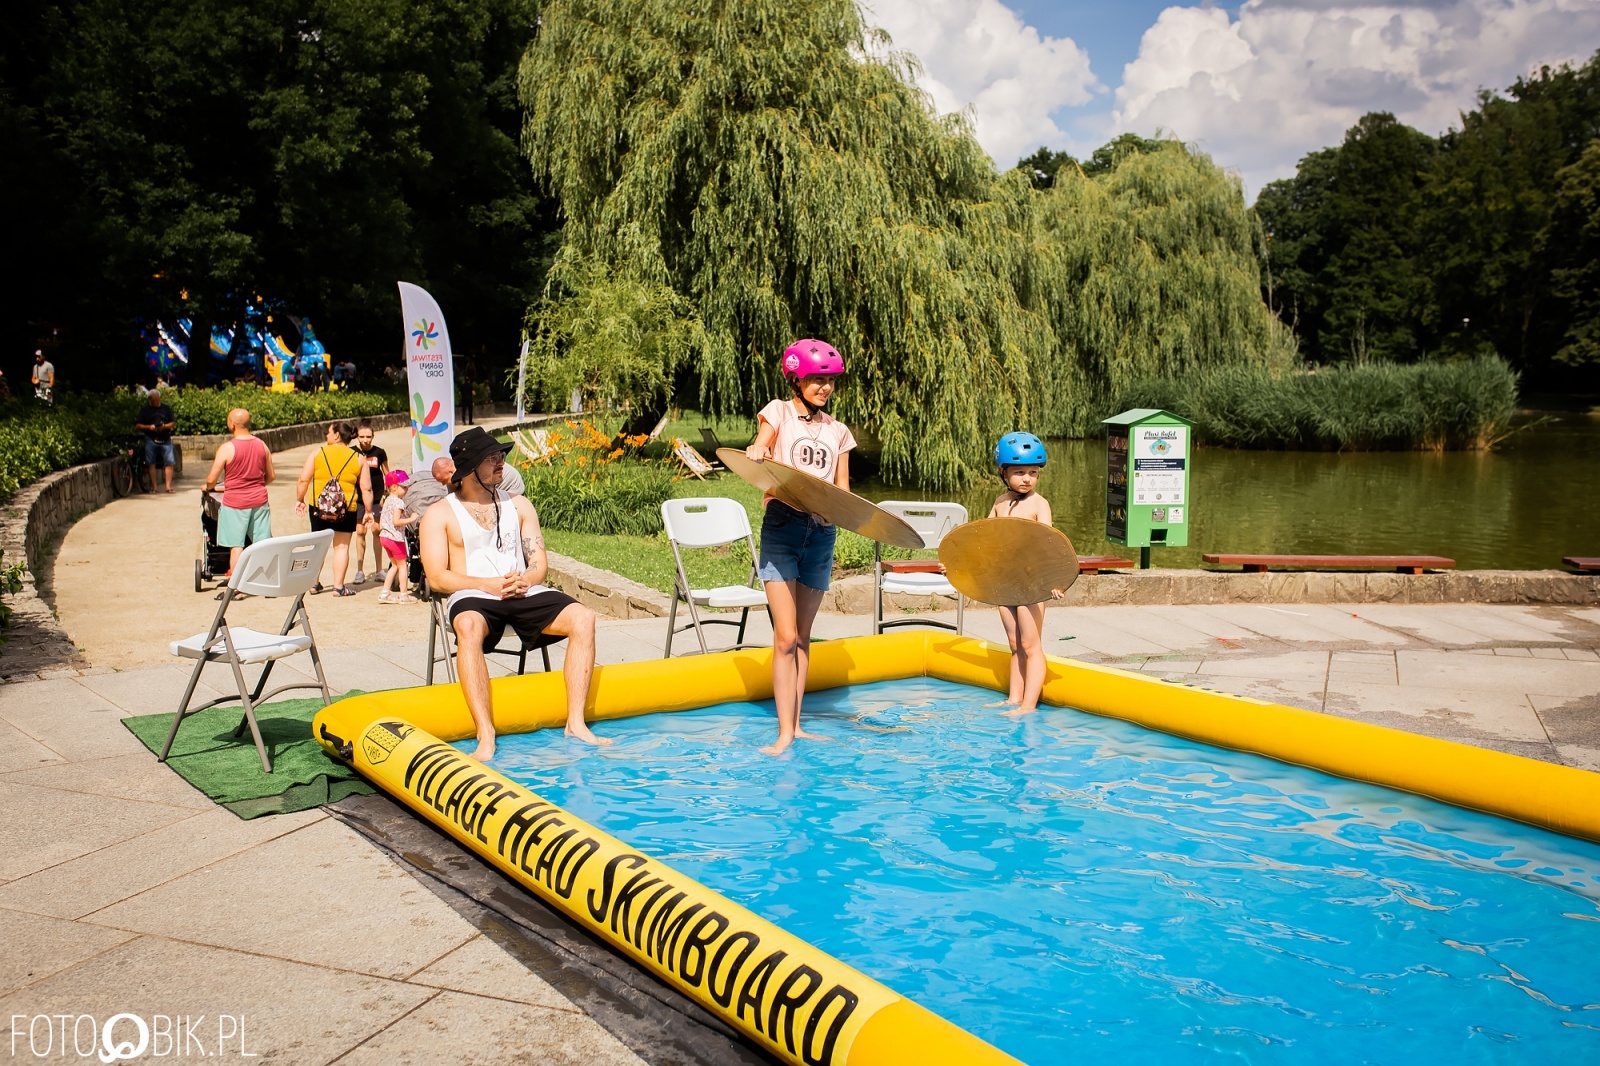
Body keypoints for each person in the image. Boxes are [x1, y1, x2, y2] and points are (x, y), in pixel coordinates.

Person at [419, 427, 606, 759]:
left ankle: (575, 723)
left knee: (584, 618)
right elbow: (437, 578)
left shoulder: (519, 505)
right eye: (491, 458)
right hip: (473, 594)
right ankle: (485, 733)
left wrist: (526, 580)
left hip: (522, 590)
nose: (501, 463)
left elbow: (539, 563)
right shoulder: (439, 514)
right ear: (470, 467)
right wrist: (487, 584)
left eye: (500, 456)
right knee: (468, 626)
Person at [745, 339, 855, 755]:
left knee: (804, 637)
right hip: (783, 527)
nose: (824, 388)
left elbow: (843, 490)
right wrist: (758, 450)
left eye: (830, 381)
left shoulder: (838, 432)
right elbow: (762, 442)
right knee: (785, 637)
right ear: (795, 379)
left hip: (821, 534)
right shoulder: (778, 412)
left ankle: (797, 725)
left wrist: (854, 514)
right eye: (815, 380)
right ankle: (783, 733)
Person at [987, 432, 1066, 717]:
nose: (1027, 479)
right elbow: (983, 541)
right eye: (1019, 472)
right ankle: (1014, 698)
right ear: (1003, 472)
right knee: (1014, 644)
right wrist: (958, 564)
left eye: (1033, 472)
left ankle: (1028, 706)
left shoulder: (1038, 504)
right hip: (1007, 582)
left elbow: (1050, 544)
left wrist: (1055, 580)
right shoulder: (1000, 502)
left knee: (1031, 645)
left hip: (1032, 583)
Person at [294, 421, 373, 596]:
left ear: (337, 435)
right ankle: (338, 587)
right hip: (347, 508)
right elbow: (366, 488)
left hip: (319, 507)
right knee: (342, 547)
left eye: (329, 432)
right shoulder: (358, 458)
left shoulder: (318, 453)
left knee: (317, 546)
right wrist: (368, 511)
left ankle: (313, 583)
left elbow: (303, 479)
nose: (326, 435)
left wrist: (300, 499)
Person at [203, 408, 275, 573]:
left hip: (235, 503)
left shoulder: (227, 448)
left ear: (232, 425)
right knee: (262, 544)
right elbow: (271, 476)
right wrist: (256, 485)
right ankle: (264, 580)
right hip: (259, 500)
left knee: (236, 546)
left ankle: (236, 583)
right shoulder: (262, 445)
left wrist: (208, 487)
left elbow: (211, 479)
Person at [349, 420, 389, 584]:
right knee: (360, 532)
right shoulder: (351, 452)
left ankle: (379, 570)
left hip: (377, 497)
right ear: (357, 437)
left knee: (377, 530)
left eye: (368, 437)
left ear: (373, 436)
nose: (365, 440)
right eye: (362, 437)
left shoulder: (380, 452)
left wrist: (388, 494)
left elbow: (387, 474)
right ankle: (360, 571)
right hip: (358, 498)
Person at [377, 470, 419, 603]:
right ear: (394, 487)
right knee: (402, 566)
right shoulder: (398, 502)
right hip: (395, 538)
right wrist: (411, 519)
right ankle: (404, 595)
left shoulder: (387, 500)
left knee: (394, 566)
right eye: (404, 487)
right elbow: (396, 521)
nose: (407, 490)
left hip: (384, 537)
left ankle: (385, 593)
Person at [134, 389, 177, 492]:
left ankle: (168, 487)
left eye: (157, 400)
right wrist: (149, 427)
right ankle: (154, 487)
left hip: (165, 438)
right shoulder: (145, 410)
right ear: (149, 400)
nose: (155, 403)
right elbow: (138, 425)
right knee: (151, 462)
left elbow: (172, 423)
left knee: (169, 461)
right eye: (153, 401)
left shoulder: (166, 408)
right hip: (151, 438)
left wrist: (164, 426)